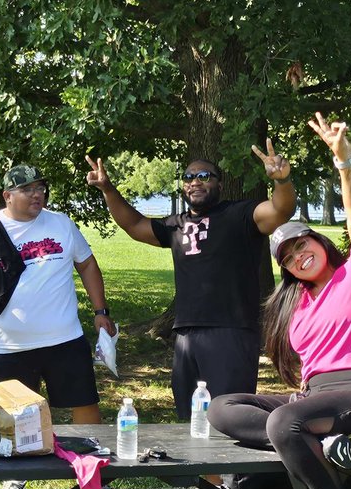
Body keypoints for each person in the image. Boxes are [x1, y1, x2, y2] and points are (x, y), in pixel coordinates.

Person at [208, 113, 351, 489]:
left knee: (283, 424)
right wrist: (305, 403)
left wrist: (344, 161)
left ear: (320, 241)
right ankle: (320, 442)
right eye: (288, 258)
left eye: (302, 245)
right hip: (320, 398)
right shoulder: (298, 306)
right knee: (222, 408)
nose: (298, 256)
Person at [86, 143, 296, 418]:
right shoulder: (177, 225)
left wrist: (282, 180)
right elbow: (134, 225)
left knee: (228, 414)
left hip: (231, 330)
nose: (194, 181)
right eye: (188, 177)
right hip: (185, 334)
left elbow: (281, 210)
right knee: (188, 414)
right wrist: (108, 190)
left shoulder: (240, 216)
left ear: (220, 184)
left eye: (204, 176)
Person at [0, 165, 115, 426]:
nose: (36, 194)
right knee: (8, 422)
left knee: (85, 406)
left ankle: (89, 461)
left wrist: (100, 312)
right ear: (7, 196)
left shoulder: (61, 223)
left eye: (40, 188)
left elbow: (86, 264)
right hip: (8, 345)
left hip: (65, 338)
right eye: (27, 189)